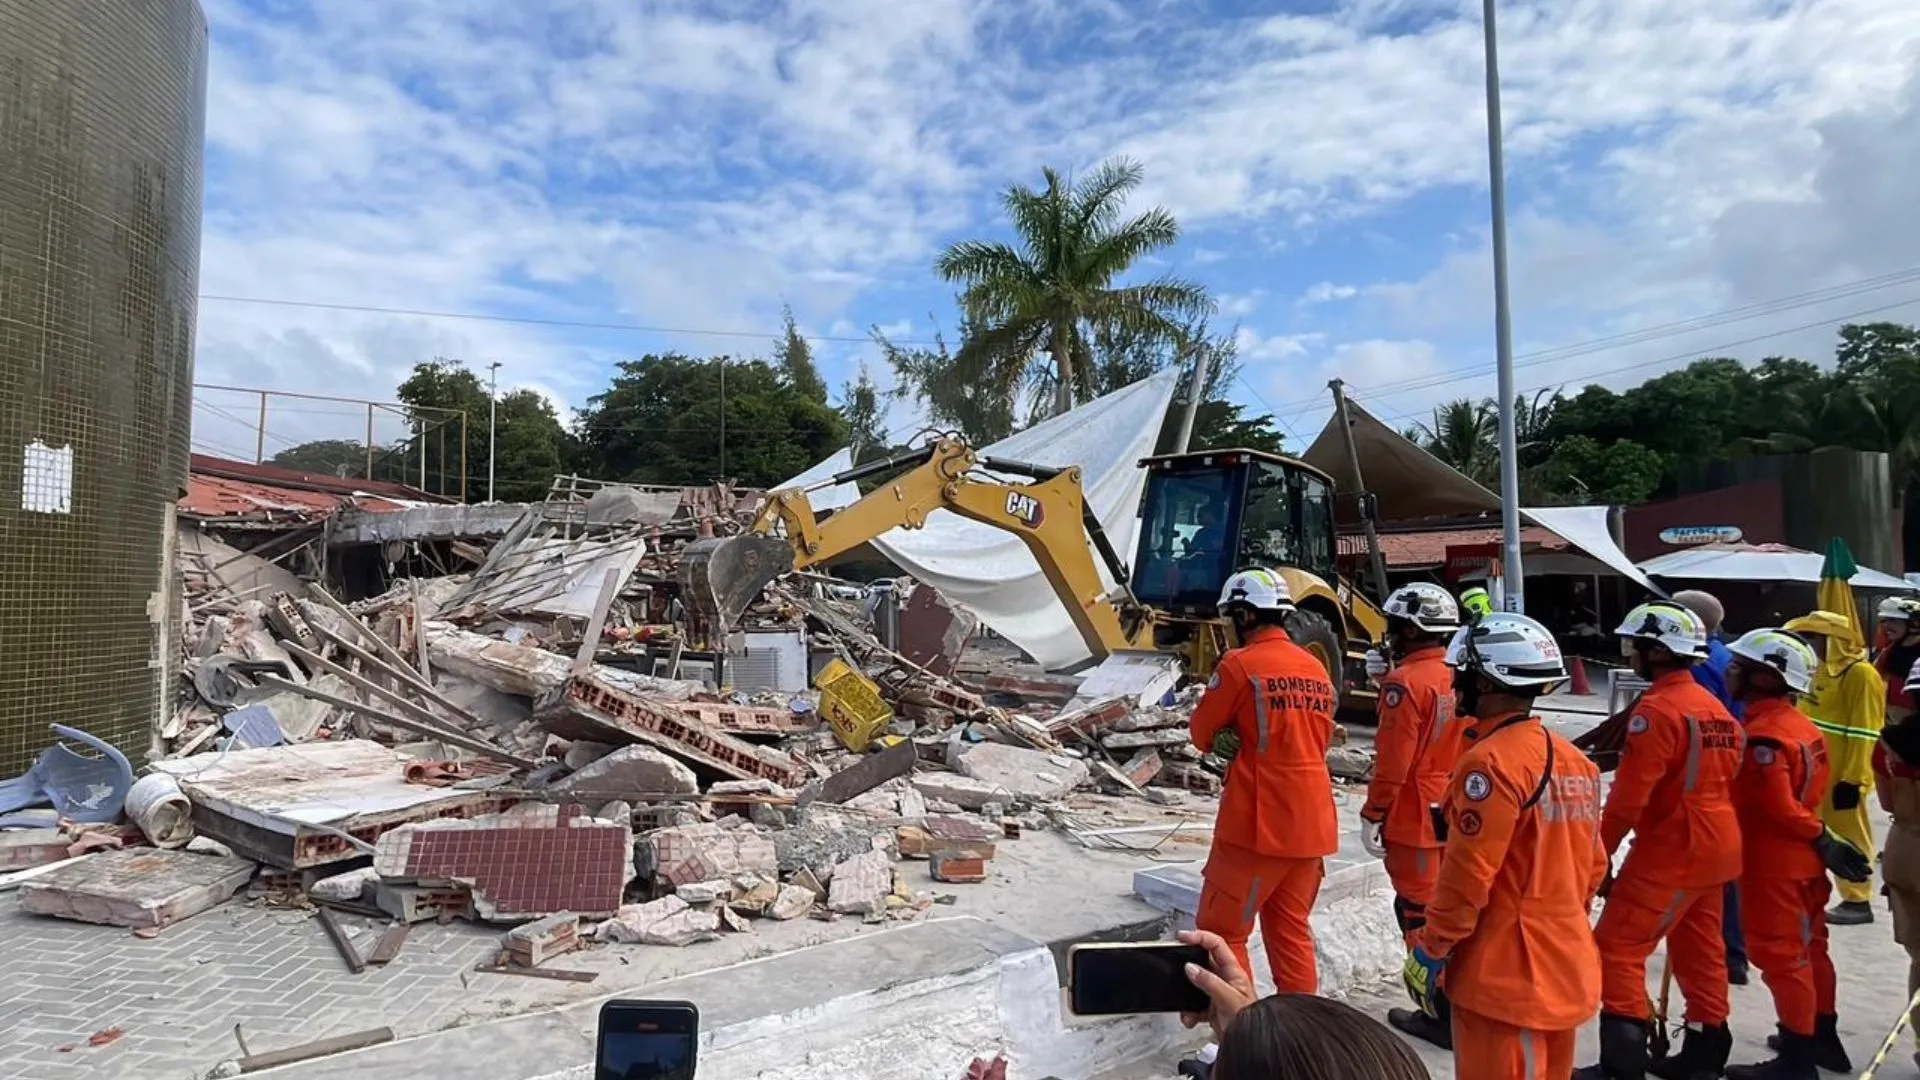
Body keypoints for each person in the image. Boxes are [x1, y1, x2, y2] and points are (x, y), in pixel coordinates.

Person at [1400, 612, 1608, 1080]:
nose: (1455, 683)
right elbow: (1594, 867)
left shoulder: (1490, 765)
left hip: (1507, 977)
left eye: (1464, 673)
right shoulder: (1576, 762)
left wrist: (1432, 949)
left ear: (1489, 682)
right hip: (1563, 959)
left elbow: (1467, 876)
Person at [1577, 601, 1744, 1080]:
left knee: (1616, 947)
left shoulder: (1656, 712)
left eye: (1636, 647)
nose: (1630, 655)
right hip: (1716, 844)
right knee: (1700, 948)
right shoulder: (1711, 707)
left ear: (1655, 652)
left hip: (1675, 846)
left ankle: (1623, 1063)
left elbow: (1628, 801)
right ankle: (1704, 1053)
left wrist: (1596, 855)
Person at [1719, 629, 1873, 1079]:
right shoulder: (1799, 725)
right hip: (1802, 863)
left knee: (1782, 958)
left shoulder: (1763, 737)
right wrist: (1822, 841)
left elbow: (1779, 806)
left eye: (1737, 667)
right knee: (1812, 951)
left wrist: (1822, 836)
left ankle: (1797, 1057)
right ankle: (1819, 1036)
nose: (1728, 672)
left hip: (1774, 864)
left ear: (1763, 679)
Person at [1187, 569, 1339, 995]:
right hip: (1312, 826)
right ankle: (1299, 1040)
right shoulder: (1315, 668)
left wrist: (1224, 737)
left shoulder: (1241, 665)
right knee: (1290, 933)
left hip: (1257, 825)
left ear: (1245, 615)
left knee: (1223, 934)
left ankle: (1239, 1043)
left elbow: (1200, 733)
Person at [1357, 583, 1465, 1049]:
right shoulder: (1458, 674)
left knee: (1418, 915)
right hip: (1454, 807)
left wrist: (1373, 810)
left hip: (1414, 814)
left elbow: (1395, 759)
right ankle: (1455, 1003)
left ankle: (1438, 1012)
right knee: (1448, 908)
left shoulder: (1406, 684)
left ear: (1407, 628)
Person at [1177, 929, 1432, 1080]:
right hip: (1304, 851)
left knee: (1228, 926)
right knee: (1290, 930)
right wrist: (1258, 1038)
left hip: (1255, 845)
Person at [1784, 608, 1888, 926]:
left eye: (1812, 637)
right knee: (1810, 829)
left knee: (1848, 833)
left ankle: (1858, 899)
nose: (1806, 642)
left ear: (1832, 640)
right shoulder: (1815, 671)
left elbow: (1867, 729)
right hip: (1813, 766)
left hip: (1843, 771)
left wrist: (1854, 779)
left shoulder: (1860, 674)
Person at [1672, 588, 1751, 987]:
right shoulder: (1726, 658)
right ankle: (1733, 952)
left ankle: (1725, 952)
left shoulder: (1699, 665)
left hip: (1703, 779)